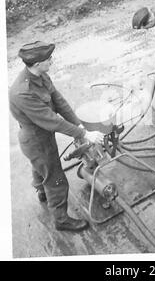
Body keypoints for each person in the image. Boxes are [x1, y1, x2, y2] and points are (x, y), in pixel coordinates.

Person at [9, 41, 106, 232]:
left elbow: (59, 101)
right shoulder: (22, 92)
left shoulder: (40, 75)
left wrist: (78, 124)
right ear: (36, 64)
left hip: (42, 135)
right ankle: (61, 220)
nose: (52, 61)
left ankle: (41, 192)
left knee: (40, 167)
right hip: (36, 139)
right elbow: (52, 120)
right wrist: (84, 133)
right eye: (48, 59)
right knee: (55, 178)